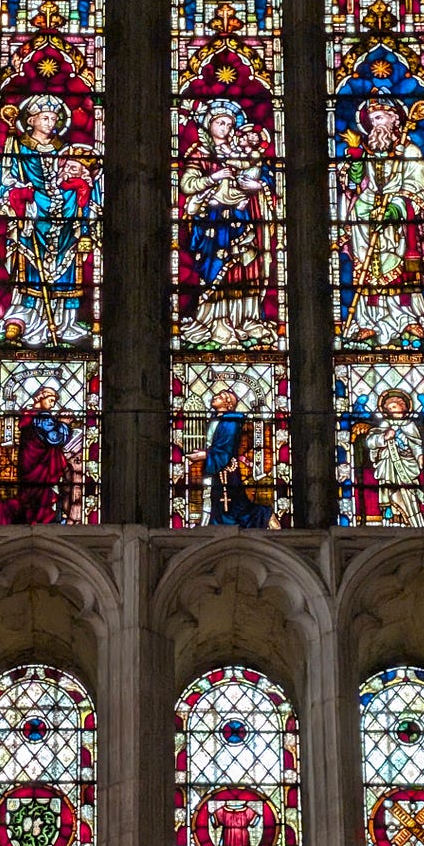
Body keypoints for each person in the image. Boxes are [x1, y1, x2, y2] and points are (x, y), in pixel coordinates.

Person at [0, 93, 94, 346]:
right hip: (33, 215)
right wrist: (19, 191)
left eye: (54, 119)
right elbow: (3, 179)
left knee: (66, 267)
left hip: (64, 215)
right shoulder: (18, 146)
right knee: (30, 267)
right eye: (45, 118)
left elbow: (75, 177)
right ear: (32, 120)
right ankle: (28, 317)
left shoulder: (63, 149)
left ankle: (62, 322)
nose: (50, 123)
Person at [338, 96, 424, 348]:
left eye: (380, 118)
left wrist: (396, 208)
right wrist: (356, 159)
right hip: (365, 217)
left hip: (398, 221)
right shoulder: (368, 151)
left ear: (394, 119)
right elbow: (355, 184)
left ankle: (407, 318)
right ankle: (368, 320)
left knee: (401, 268)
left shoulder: (410, 151)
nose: (375, 124)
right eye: (371, 120)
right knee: (367, 269)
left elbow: (417, 189)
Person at [179, 98, 276, 349]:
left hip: (243, 218)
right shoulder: (200, 153)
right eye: (220, 123)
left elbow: (265, 178)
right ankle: (217, 321)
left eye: (229, 124)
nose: (225, 128)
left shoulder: (240, 152)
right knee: (219, 267)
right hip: (214, 221)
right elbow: (187, 185)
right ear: (208, 125)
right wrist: (213, 177)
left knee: (248, 266)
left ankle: (246, 319)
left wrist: (258, 186)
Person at [0, 379, 84, 524]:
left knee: (32, 495)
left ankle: (33, 519)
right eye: (50, 400)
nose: (52, 405)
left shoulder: (28, 414)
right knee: (41, 495)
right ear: (40, 397)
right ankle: (42, 520)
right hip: (40, 465)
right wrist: (64, 423)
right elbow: (55, 438)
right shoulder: (41, 417)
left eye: (54, 402)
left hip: (29, 463)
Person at [189, 381, 274, 527]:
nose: (215, 396)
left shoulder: (230, 422)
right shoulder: (217, 419)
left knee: (234, 505)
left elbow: (225, 449)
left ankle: (265, 515)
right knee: (221, 502)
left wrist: (205, 456)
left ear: (228, 404)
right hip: (219, 468)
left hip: (227, 469)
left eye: (221, 396)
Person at [362, 389, 424, 526]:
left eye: (394, 407)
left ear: (403, 407)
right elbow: (370, 441)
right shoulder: (385, 424)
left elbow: (416, 444)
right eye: (389, 409)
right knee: (391, 492)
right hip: (388, 466)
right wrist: (384, 437)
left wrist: (419, 456)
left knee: (409, 494)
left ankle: (413, 522)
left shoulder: (409, 425)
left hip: (407, 466)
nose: (391, 411)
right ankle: (391, 520)